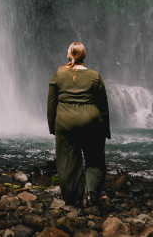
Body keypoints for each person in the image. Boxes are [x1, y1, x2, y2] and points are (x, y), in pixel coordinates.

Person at [47, 41, 111, 207]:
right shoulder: (95, 76)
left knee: (68, 162)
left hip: (66, 122)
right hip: (92, 121)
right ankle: (91, 196)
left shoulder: (59, 74)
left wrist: (52, 126)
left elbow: (51, 102)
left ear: (69, 55)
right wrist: (106, 130)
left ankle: (73, 198)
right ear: (84, 56)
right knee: (95, 161)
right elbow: (103, 106)